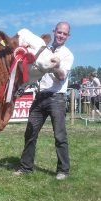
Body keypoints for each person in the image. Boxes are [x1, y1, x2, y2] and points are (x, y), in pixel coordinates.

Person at [13, 22, 74, 180]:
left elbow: (61, 76)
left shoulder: (67, 54)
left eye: (64, 34)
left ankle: (63, 170)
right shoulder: (42, 49)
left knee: (60, 136)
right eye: (59, 32)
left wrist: (53, 64)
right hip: (39, 97)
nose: (60, 35)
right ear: (54, 32)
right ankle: (26, 167)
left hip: (56, 98)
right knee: (30, 133)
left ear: (68, 36)